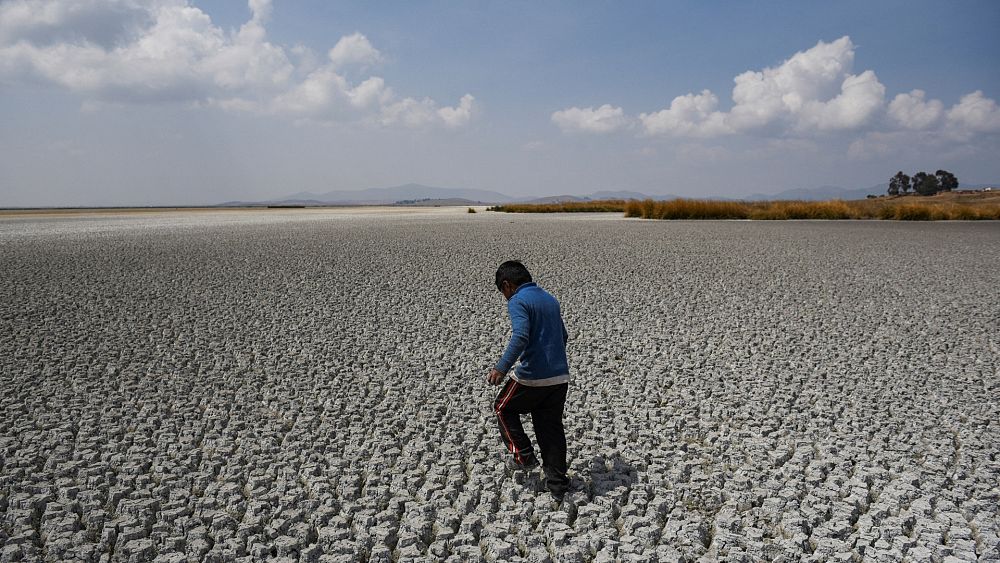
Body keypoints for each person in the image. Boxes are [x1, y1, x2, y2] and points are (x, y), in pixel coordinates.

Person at [488, 260, 571, 501]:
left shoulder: (518, 300)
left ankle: (524, 456)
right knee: (550, 428)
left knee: (502, 408)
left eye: (502, 292)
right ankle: (557, 487)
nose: (504, 297)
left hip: (532, 376)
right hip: (559, 376)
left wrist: (501, 368)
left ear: (507, 285)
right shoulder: (549, 298)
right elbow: (563, 335)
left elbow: (521, 335)